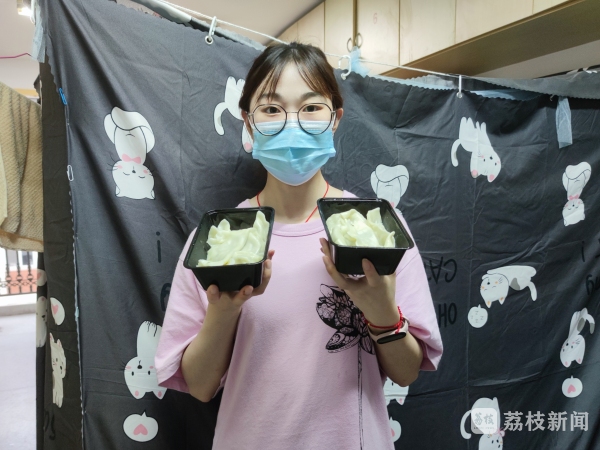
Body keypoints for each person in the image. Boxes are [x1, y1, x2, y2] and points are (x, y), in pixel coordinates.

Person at [155, 42, 443, 450]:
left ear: (335, 119)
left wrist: (381, 313)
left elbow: (406, 372)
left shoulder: (377, 231)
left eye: (310, 108)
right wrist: (223, 310)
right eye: (272, 109)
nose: (292, 125)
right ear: (249, 122)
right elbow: (200, 387)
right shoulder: (217, 241)